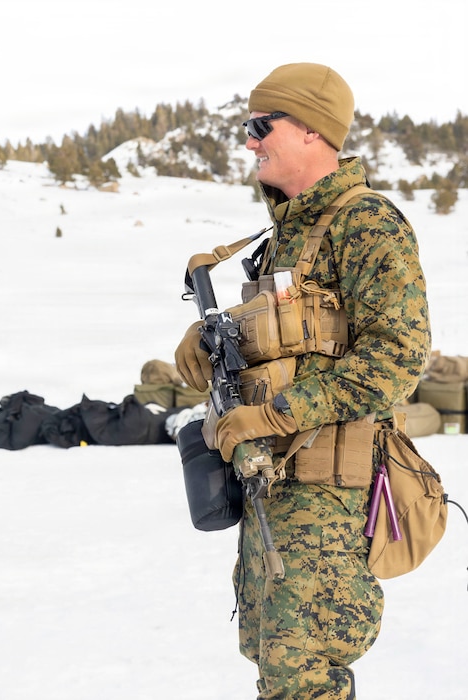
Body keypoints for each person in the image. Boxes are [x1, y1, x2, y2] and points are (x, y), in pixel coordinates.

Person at [175, 63, 430, 699]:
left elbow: (398, 358)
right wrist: (218, 333)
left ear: (313, 130)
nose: (249, 140)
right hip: (275, 492)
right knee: (275, 664)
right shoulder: (286, 234)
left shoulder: (365, 222)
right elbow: (301, 333)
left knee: (302, 673)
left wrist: (275, 414)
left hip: (328, 503)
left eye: (262, 125)